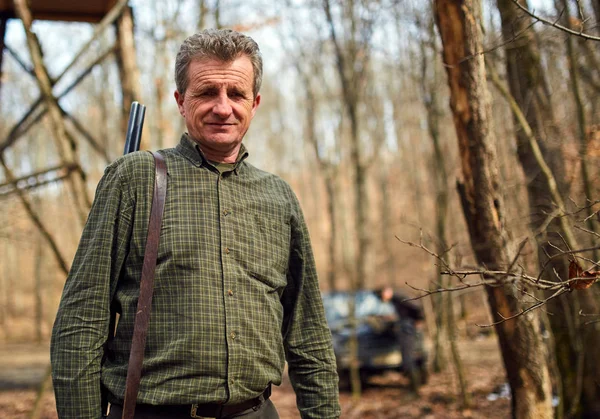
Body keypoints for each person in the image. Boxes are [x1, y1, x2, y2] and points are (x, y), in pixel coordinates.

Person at [51, 29, 340, 419]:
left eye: (236, 94)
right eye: (206, 93)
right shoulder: (135, 178)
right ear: (180, 101)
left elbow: (308, 334)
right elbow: (81, 321)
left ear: (254, 103)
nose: (223, 107)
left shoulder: (279, 196)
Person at [375, 286, 425, 393]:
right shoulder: (395, 299)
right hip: (405, 326)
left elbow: (415, 306)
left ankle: (414, 390)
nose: (382, 299)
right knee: (408, 358)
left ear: (386, 291)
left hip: (407, 328)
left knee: (408, 359)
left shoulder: (399, 296)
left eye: (381, 296)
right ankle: (414, 387)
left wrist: (419, 320)